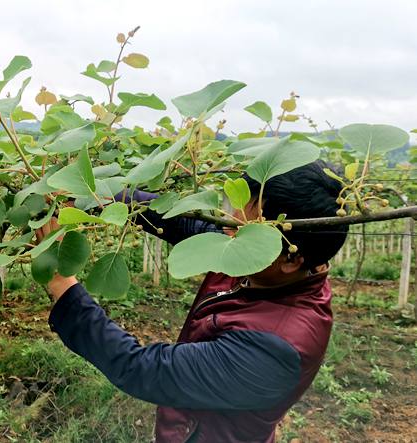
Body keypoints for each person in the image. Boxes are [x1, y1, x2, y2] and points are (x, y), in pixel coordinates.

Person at [35, 159, 348, 443]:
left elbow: (142, 369)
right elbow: (187, 224)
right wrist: (94, 196)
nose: (228, 226)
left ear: (291, 259)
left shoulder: (275, 349)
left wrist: (62, 284)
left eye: (240, 227)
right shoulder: (268, 262)